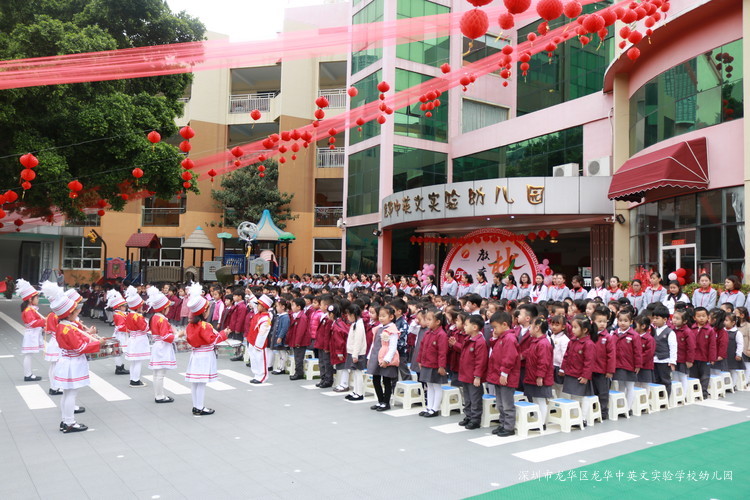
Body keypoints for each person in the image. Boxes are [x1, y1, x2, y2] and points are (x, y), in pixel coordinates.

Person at [47, 283, 105, 433]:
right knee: (71, 394)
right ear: (69, 313)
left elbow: (79, 340)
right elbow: (80, 347)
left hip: (66, 361)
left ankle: (65, 421)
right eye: (75, 310)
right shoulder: (68, 328)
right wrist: (98, 343)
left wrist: (91, 337)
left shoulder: (63, 326)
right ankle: (69, 423)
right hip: (72, 363)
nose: (77, 312)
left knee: (67, 394)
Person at [185, 283, 229, 415]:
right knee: (201, 383)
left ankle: (195, 406)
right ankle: (200, 407)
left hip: (195, 354)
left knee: (195, 382)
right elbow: (213, 340)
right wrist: (224, 334)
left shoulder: (190, 325)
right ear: (204, 311)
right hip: (205, 355)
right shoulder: (205, 325)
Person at [487, 311, 520, 437]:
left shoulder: (510, 338)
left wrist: (504, 373)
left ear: (505, 324)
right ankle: (502, 423)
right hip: (498, 375)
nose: (494, 330)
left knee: (507, 404)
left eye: (495, 327)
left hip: (506, 377)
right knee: (500, 403)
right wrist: (494, 338)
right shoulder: (502, 337)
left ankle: (509, 426)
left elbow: (509, 357)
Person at [146, 287, 181, 403]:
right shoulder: (162, 320)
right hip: (162, 347)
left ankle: (159, 395)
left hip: (157, 346)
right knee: (160, 374)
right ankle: (160, 396)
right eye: (168, 307)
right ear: (163, 308)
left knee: (157, 374)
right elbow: (166, 337)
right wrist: (178, 335)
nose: (169, 309)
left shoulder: (155, 317)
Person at [453, 314, 487, 429]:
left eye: (467, 325)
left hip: (473, 376)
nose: (464, 327)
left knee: (475, 398)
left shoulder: (480, 341)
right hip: (465, 374)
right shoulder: (468, 339)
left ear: (475, 327)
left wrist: (478, 376)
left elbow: (480, 361)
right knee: (467, 397)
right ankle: (468, 416)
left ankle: (475, 419)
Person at [559, 315, 595, 424]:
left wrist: (585, 376)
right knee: (573, 396)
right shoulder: (572, 341)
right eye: (572, 327)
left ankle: (582, 418)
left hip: (580, 375)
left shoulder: (588, 344)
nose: (573, 330)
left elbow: (589, 362)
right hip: (571, 373)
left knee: (582, 397)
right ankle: (575, 417)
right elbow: (566, 356)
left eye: (575, 327)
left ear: (585, 330)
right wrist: (563, 369)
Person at [416, 309, 448, 418]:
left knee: (436, 386)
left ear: (438, 322)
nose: (427, 322)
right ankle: (429, 407)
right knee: (429, 386)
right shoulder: (427, 332)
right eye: (426, 319)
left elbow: (442, 352)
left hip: (435, 365)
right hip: (427, 363)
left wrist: (441, 366)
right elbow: (422, 347)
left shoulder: (441, 334)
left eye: (430, 320)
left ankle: (435, 408)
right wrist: (420, 360)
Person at [523, 316, 554, 428]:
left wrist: (540, 376)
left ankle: (542, 422)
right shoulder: (535, 342)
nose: (529, 329)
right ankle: (537, 420)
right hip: (533, 376)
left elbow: (543, 362)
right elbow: (529, 353)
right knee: (535, 398)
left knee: (541, 400)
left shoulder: (543, 344)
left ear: (537, 328)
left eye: (531, 327)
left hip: (540, 378)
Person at [367, 305, 399, 411]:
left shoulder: (392, 330)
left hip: (386, 358)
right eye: (380, 316)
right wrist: (369, 357)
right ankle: (380, 401)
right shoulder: (379, 328)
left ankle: (386, 402)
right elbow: (374, 344)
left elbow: (392, 347)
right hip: (376, 356)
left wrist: (387, 360)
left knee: (386, 380)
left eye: (384, 316)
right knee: (376, 379)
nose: (381, 318)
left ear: (391, 317)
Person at [612, 310, 642, 412]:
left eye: (625, 320)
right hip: (618, 365)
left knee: (630, 386)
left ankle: (628, 408)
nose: (622, 323)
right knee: (620, 385)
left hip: (630, 365)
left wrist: (638, 365)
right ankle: (621, 407)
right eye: (620, 320)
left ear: (631, 322)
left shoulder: (634, 335)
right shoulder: (614, 334)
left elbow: (638, 351)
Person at [17, 279, 45, 382]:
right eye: (37, 297)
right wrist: (44, 322)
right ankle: (28, 375)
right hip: (31, 334)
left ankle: (28, 374)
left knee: (29, 355)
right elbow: (32, 323)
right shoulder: (29, 310)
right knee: (28, 354)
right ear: (30, 299)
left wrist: (43, 324)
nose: (38, 299)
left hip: (33, 334)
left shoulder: (31, 309)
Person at [590, 308, 615, 420]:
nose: (602, 324)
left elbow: (611, 355)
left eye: (604, 321)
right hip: (591, 369)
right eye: (599, 321)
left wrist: (610, 370)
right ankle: (593, 412)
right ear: (592, 322)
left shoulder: (608, 337)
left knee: (603, 393)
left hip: (603, 370)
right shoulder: (590, 335)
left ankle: (603, 412)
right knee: (592, 392)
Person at [124, 286, 150, 388]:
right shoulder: (138, 316)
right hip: (139, 339)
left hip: (132, 338)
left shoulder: (129, 315)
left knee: (133, 361)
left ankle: (132, 379)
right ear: (138, 306)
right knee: (138, 361)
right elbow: (145, 328)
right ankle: (136, 381)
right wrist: (147, 322)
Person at [689, 307, 716, 398]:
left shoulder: (710, 330)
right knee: (693, 375)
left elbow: (712, 345)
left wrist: (712, 358)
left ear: (708, 317)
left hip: (705, 357)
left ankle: (703, 392)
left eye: (703, 316)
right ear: (694, 318)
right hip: (693, 357)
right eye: (699, 316)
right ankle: (694, 391)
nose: (701, 318)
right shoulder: (692, 329)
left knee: (705, 376)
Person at [246, 295, 273, 384]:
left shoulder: (266, 318)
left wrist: (258, 345)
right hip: (252, 340)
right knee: (254, 359)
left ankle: (262, 377)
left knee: (261, 359)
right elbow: (254, 303)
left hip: (258, 343)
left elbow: (262, 333)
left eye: (259, 305)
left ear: (264, 307)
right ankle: (257, 375)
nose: (257, 306)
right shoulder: (258, 313)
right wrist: (251, 294)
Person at [41, 282, 62, 395]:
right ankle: (55, 387)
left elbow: (48, 331)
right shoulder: (57, 316)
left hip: (53, 341)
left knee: (54, 365)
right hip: (58, 342)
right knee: (56, 365)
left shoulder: (50, 315)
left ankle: (53, 387)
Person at [651, 305, 677, 397]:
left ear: (665, 319)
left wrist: (672, 361)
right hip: (654, 360)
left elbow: (673, 347)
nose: (654, 320)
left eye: (657, 318)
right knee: (655, 380)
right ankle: (657, 398)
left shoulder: (670, 332)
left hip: (665, 360)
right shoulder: (653, 331)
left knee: (665, 380)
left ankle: (666, 398)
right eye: (653, 318)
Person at [344, 304, 367, 401]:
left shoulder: (359, 325)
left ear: (353, 315)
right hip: (353, 352)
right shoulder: (355, 324)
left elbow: (358, 341)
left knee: (358, 373)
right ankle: (355, 391)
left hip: (357, 353)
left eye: (348, 315)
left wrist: (355, 355)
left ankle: (359, 393)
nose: (347, 317)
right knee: (354, 372)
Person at [106, 289, 130, 375]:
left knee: (119, 351)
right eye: (124, 305)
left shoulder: (121, 314)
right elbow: (121, 327)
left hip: (122, 335)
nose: (126, 307)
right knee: (119, 351)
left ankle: (120, 366)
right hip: (121, 335)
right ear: (119, 307)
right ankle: (119, 367)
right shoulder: (118, 315)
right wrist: (130, 328)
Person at [672, 309, 695, 394]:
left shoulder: (687, 332)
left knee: (683, 376)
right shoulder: (672, 330)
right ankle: (676, 394)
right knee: (674, 375)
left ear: (684, 321)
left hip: (683, 359)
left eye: (677, 319)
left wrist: (690, 360)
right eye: (674, 318)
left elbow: (691, 347)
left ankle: (683, 395)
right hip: (675, 358)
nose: (674, 320)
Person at [287, 298, 310, 381]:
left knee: (299, 357)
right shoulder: (295, 315)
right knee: (297, 356)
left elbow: (301, 331)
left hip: (300, 342)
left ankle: (299, 373)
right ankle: (298, 372)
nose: (291, 307)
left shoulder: (302, 317)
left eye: (293, 305)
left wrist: (297, 342)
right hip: (295, 340)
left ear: (299, 307)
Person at [330, 305, 351, 391]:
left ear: (331, 314)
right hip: (344, 349)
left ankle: (344, 384)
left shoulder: (337, 326)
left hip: (342, 350)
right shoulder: (340, 323)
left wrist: (339, 352)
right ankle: (342, 383)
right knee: (343, 367)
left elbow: (339, 341)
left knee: (344, 367)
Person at [313, 303, 334, 388]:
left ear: (326, 306)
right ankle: (323, 378)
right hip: (320, 343)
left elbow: (327, 334)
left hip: (325, 344)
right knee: (321, 362)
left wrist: (326, 346)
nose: (320, 306)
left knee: (327, 362)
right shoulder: (323, 316)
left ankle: (328, 380)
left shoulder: (328, 319)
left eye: (321, 304)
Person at [548, 315, 569, 397]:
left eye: (557, 325)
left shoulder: (564, 339)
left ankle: (562, 400)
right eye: (552, 324)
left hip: (559, 366)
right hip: (552, 365)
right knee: (552, 386)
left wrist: (562, 368)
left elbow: (565, 355)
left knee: (560, 387)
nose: (554, 327)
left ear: (563, 327)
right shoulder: (551, 336)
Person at [270, 298, 291, 375]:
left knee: (282, 353)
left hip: (282, 338)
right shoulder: (279, 316)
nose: (276, 308)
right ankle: (279, 367)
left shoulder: (285, 317)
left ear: (283, 307)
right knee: (279, 353)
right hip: (277, 337)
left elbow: (284, 328)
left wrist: (280, 337)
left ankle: (281, 368)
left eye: (277, 306)